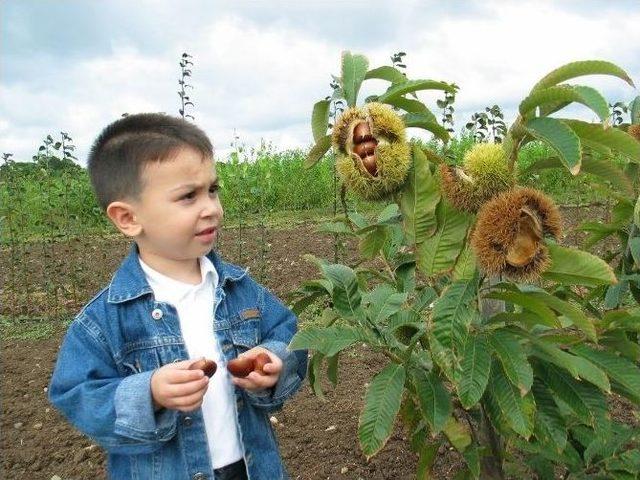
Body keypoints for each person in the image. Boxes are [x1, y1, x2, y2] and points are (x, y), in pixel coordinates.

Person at [48, 113, 307, 480]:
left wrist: (275, 359)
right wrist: (148, 392)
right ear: (127, 218)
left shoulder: (238, 288)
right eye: (188, 196)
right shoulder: (104, 321)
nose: (212, 208)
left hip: (249, 468)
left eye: (212, 190)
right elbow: (76, 394)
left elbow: (291, 334)